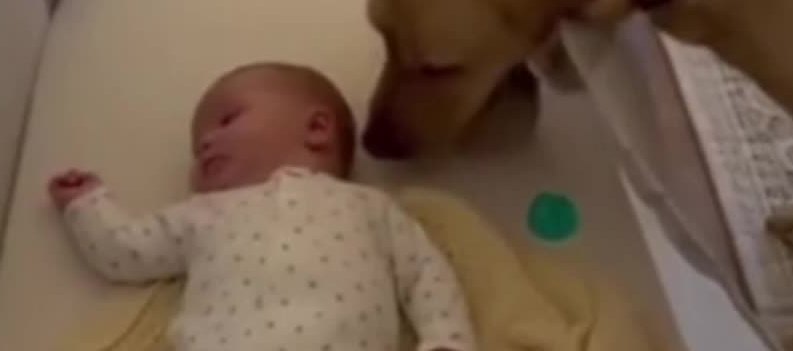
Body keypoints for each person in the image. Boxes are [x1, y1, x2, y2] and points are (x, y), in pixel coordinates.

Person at [48, 61, 476, 351]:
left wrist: (446, 339)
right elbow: (126, 251)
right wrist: (87, 205)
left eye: (227, 120)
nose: (206, 143)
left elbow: (424, 272)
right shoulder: (202, 214)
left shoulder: (370, 207)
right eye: (198, 148)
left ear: (316, 128)